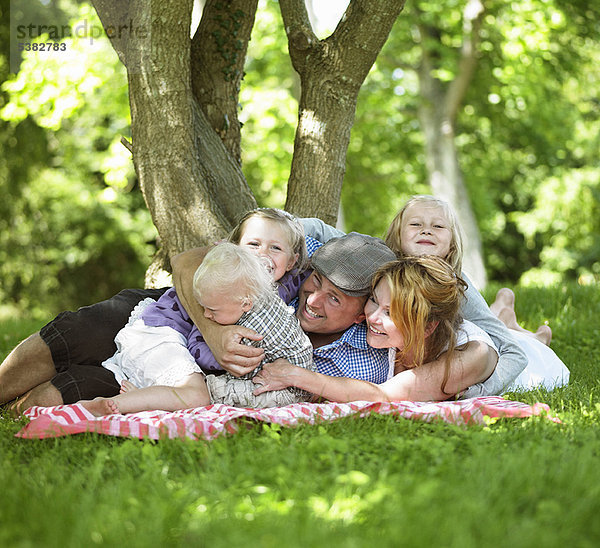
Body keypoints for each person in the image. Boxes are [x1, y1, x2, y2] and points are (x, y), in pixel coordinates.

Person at [0, 225, 398, 414]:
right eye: (316, 281)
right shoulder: (298, 249)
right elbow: (187, 259)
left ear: (363, 310)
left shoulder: (360, 354)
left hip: (181, 373)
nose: (313, 299)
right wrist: (216, 331)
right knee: (80, 332)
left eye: (335, 298)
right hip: (176, 315)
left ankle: (12, 421)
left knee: (79, 388)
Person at [81, 243, 314, 416]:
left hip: (160, 337)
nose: (205, 317)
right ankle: (118, 405)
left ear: (246, 302)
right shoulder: (240, 300)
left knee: (191, 392)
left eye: (212, 310)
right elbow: (208, 356)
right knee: (197, 395)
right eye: (203, 307)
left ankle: (141, 395)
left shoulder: (253, 315)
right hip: (154, 336)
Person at [253, 256, 499, 402]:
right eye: (373, 300)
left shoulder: (472, 355)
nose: (371, 317)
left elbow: (385, 396)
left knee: (524, 338)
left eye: (390, 313)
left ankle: (520, 323)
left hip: (534, 362)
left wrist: (294, 374)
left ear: (427, 328)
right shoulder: (388, 337)